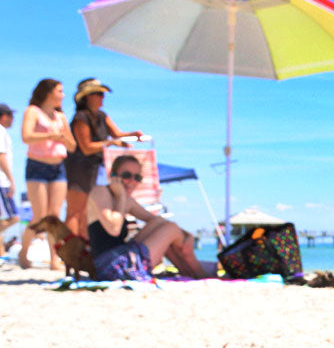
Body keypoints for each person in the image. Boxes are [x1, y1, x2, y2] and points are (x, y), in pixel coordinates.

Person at [87, 154, 213, 280]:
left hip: (122, 257)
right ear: (113, 176)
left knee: (165, 226)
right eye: (126, 175)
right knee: (171, 229)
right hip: (111, 266)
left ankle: (192, 271)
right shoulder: (100, 192)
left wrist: (187, 235)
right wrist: (120, 197)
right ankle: (199, 272)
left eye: (137, 177)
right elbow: (113, 229)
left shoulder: (127, 201)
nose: (132, 181)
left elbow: (158, 222)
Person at [64, 78, 143, 238]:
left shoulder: (101, 115)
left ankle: (86, 250)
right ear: (88, 97)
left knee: (88, 211)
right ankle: (70, 253)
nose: (102, 97)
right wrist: (113, 142)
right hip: (79, 168)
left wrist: (132, 135)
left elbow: (117, 134)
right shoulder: (81, 117)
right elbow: (86, 147)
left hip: (96, 168)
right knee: (76, 211)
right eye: (98, 94)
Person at [18, 79, 76, 269]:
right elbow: (26, 137)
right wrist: (51, 135)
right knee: (39, 216)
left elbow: (72, 146)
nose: (63, 95)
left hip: (58, 166)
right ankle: (23, 252)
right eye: (60, 91)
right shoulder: (33, 111)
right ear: (48, 92)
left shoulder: (60, 116)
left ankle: (54, 259)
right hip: (37, 165)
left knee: (54, 216)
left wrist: (64, 137)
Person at [0, 104, 17, 243]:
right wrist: (11, 180)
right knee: (14, 217)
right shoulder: (1, 130)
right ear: (5, 116)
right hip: (2, 181)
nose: (13, 120)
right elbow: (1, 156)